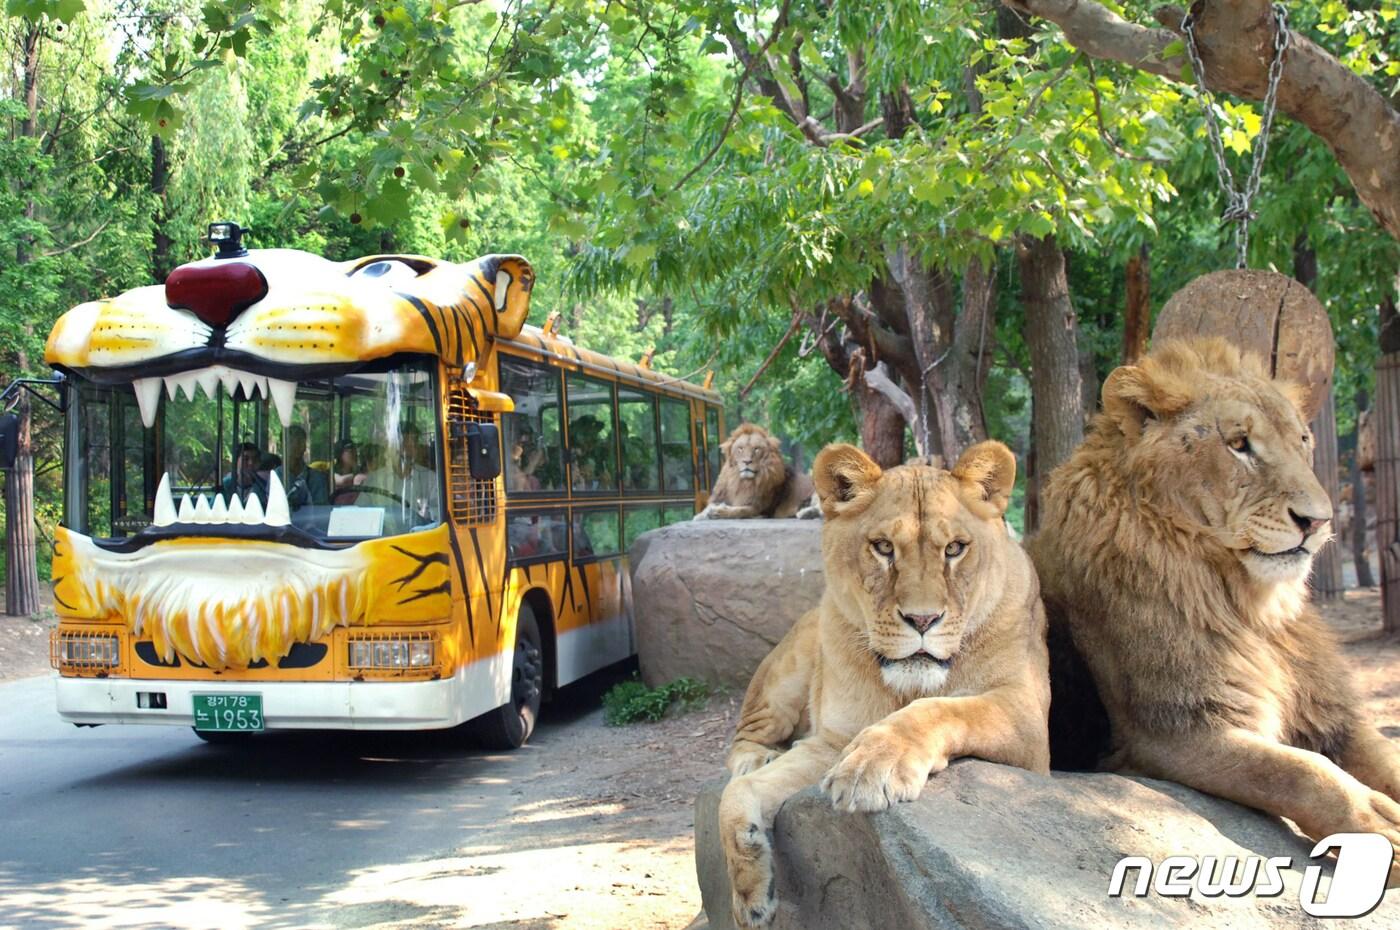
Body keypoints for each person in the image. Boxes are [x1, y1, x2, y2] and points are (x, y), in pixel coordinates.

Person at [366, 421, 438, 530]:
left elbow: (437, 518)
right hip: (379, 540)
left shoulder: (430, 479)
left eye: (413, 443)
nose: (409, 450)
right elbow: (362, 511)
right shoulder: (375, 479)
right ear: (392, 447)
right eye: (404, 443)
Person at [276, 424, 329, 510]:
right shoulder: (275, 477)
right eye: (291, 441)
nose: (296, 446)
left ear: (305, 447)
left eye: (301, 442)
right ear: (282, 446)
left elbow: (321, 511)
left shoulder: (317, 478)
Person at [508, 425, 544, 492]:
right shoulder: (514, 451)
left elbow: (529, 471)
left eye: (527, 436)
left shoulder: (536, 452)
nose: (523, 439)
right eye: (521, 436)